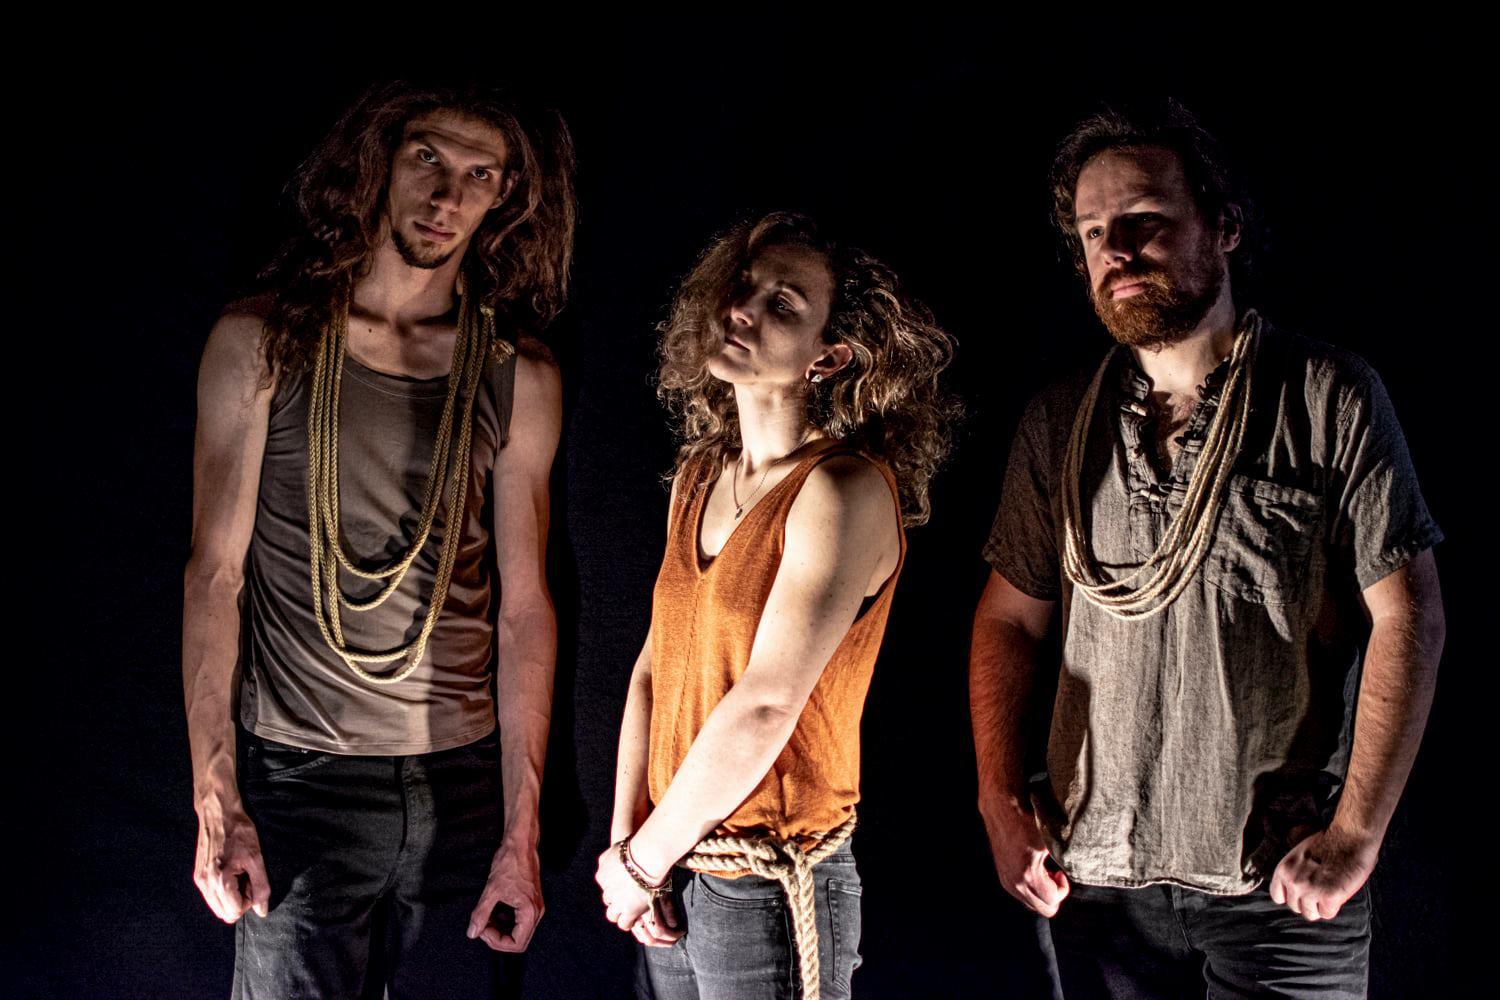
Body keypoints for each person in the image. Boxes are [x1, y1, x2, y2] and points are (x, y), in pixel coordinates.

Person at [970, 101, 1446, 999]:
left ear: (1224, 227)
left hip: (1277, 883)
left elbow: (1409, 619)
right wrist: (999, 801)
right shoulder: (1059, 421)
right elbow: (1010, 621)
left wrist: (1355, 837)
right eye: (1094, 231)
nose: (1116, 250)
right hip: (1097, 882)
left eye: (1145, 219)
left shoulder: (1327, 397)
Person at [182, 80, 576, 997]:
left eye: (480, 175)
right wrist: (216, 798)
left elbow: (524, 609)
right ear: (380, 162)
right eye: (427, 157)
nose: (446, 196)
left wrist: (521, 832)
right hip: (301, 783)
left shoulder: (519, 371)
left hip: (461, 789)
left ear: (506, 198)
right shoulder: (264, 340)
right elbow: (215, 577)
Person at [596, 212, 957, 1000]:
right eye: (743, 288)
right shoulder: (699, 474)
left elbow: (767, 703)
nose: (741, 310)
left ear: (829, 356)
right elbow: (654, 669)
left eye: (782, 305)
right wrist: (629, 846)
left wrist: (642, 861)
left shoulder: (841, 490)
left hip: (767, 880)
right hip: (671, 864)